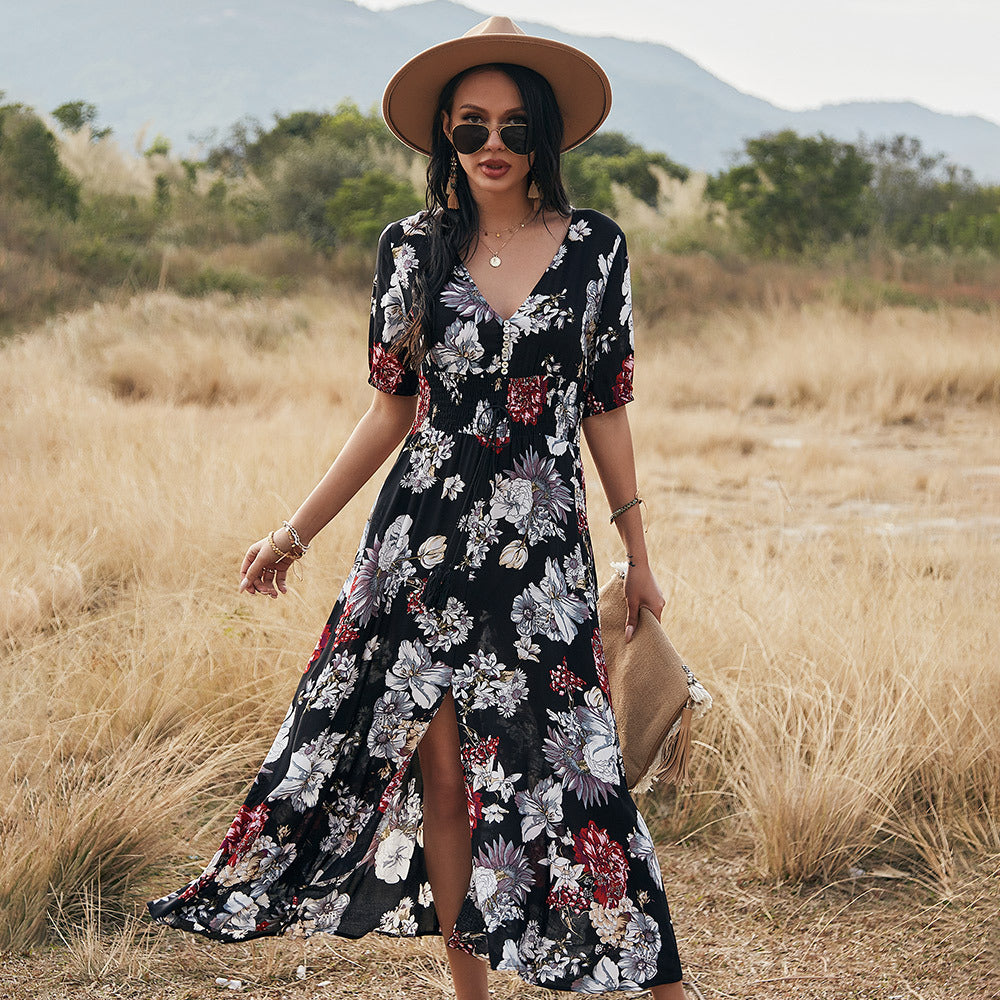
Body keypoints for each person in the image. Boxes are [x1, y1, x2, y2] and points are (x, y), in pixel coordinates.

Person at [147, 15, 689, 999]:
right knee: (444, 784)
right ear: (445, 133)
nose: (491, 145)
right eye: (471, 126)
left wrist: (635, 546)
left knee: (580, 774)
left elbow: (606, 403)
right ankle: (467, 994)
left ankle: (660, 986)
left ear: (547, 139)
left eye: (515, 128)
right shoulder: (409, 249)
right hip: (419, 548)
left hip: (540, 557)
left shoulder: (594, 247)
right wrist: (294, 531)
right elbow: (391, 409)